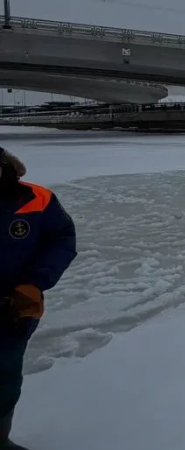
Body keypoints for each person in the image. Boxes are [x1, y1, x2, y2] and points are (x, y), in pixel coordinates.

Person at [0, 147, 77, 449]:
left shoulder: (37, 200)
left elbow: (62, 239)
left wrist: (34, 284)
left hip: (15, 310)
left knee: (4, 377)